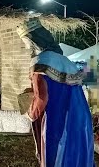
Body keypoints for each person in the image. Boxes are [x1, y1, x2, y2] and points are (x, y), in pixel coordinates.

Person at [17, 17, 94, 167]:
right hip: (79, 116)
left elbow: (41, 97)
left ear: (34, 42)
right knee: (77, 152)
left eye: (27, 44)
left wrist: (31, 113)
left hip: (57, 118)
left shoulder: (40, 63)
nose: (28, 48)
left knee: (58, 151)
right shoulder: (65, 60)